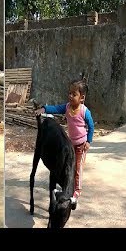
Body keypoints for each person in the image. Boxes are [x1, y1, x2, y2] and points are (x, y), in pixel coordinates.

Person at [35, 78, 94, 209]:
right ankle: (67, 187)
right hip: (70, 145)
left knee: (78, 169)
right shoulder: (67, 107)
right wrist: (44, 109)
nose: (70, 96)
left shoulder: (85, 111)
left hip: (81, 146)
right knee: (68, 168)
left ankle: (76, 194)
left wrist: (89, 141)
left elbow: (91, 126)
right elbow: (55, 108)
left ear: (82, 97)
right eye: (70, 93)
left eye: (74, 94)